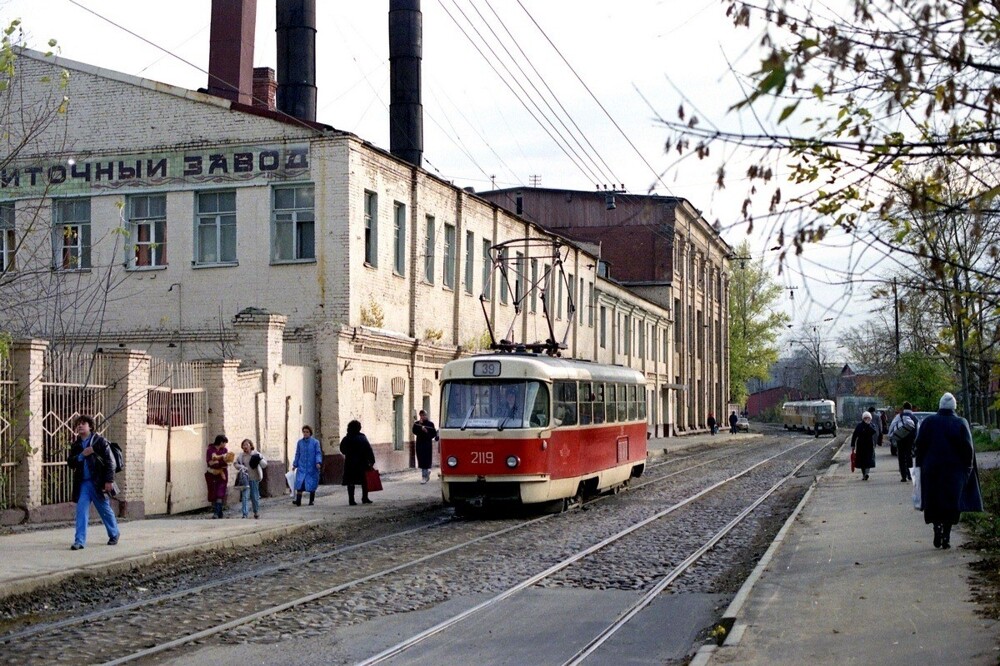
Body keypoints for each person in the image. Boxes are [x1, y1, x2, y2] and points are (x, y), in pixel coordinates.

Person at [915, 392, 983, 549]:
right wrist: (968, 468)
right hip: (954, 471)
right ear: (954, 407)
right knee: (952, 502)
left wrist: (920, 465)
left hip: (931, 469)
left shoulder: (928, 422)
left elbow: (919, 444)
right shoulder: (960, 422)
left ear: (940, 405)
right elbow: (968, 448)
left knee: (933, 500)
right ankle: (946, 534)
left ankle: (936, 528)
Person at [66, 415, 121, 550]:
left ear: (90, 426)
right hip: (83, 484)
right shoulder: (77, 444)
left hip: (97, 483)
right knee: (81, 511)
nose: (80, 426)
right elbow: (70, 462)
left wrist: (109, 480)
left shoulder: (100, 442)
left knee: (104, 510)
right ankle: (79, 541)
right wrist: (82, 455)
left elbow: (110, 462)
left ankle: (114, 533)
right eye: (78, 424)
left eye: (83, 423)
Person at [340, 419, 376, 505]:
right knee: (364, 481)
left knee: (351, 482)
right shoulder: (362, 438)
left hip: (350, 463)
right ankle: (365, 498)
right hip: (362, 463)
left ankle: (351, 500)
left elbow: (342, 449)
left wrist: (349, 454)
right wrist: (371, 461)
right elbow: (369, 450)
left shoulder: (346, 438)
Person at [234, 438, 267, 519]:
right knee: (245, 497)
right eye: (243, 445)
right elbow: (235, 464)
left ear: (251, 446)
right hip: (245, 480)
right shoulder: (241, 456)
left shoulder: (256, 454)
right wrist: (241, 467)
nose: (245, 446)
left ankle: (256, 512)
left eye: (247, 445)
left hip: (254, 478)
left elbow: (264, 464)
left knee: (255, 497)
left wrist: (259, 459)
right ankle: (245, 514)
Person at [292, 425, 322, 506]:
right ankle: (298, 500)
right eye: (304, 432)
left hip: (311, 467)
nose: (305, 433)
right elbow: (297, 454)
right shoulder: (300, 442)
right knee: (300, 483)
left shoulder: (315, 442)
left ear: (310, 433)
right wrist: (295, 464)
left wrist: (318, 462)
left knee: (311, 483)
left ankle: (311, 500)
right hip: (302, 466)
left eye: (307, 432)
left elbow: (318, 453)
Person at [888, 402, 917, 482]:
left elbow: (892, 426)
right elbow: (917, 430)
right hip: (910, 440)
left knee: (901, 457)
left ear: (903, 408)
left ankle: (903, 476)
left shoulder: (899, 416)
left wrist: (891, 437)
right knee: (909, 456)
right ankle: (910, 475)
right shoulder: (914, 417)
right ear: (911, 408)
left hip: (900, 439)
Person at [205, 434, 232, 518]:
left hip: (223, 473)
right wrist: (220, 459)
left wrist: (220, 461)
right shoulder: (210, 450)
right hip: (213, 474)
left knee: (220, 492)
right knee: (213, 493)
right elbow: (211, 462)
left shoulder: (224, 450)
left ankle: (216, 513)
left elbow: (225, 462)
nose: (225, 445)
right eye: (224, 443)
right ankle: (219, 513)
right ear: (221, 442)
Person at [412, 410, 438, 484]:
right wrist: (420, 428)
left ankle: (424, 476)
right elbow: (414, 431)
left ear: (426, 416)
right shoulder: (417, 424)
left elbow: (433, 434)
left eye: (424, 415)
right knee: (421, 459)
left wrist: (426, 431)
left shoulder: (430, 424)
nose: (422, 417)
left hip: (427, 444)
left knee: (426, 459)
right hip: (419, 444)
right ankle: (426, 473)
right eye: (421, 416)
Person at [850, 411, 878, 481]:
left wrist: (868, 425)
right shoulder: (859, 425)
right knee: (862, 461)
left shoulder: (872, 425)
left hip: (869, 445)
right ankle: (864, 474)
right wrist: (853, 445)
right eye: (865, 418)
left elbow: (874, 432)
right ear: (863, 418)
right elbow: (854, 435)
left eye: (868, 418)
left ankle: (866, 473)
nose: (867, 419)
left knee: (869, 459)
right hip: (861, 445)